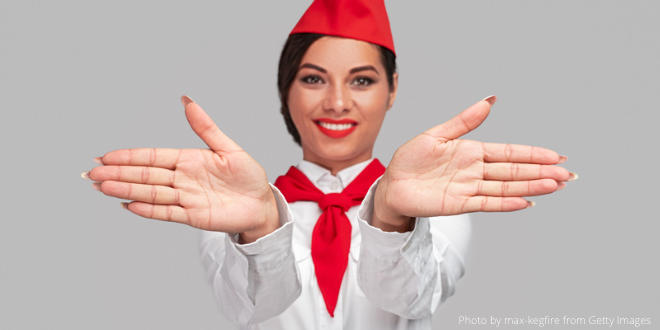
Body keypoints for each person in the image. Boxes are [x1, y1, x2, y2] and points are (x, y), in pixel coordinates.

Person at [82, 0, 576, 329]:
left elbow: (413, 300)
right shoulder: (237, 208)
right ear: (286, 89)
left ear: (392, 89)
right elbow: (250, 308)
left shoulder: (435, 203)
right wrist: (259, 232)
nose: (337, 102)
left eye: (361, 80)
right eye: (314, 79)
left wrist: (390, 217)